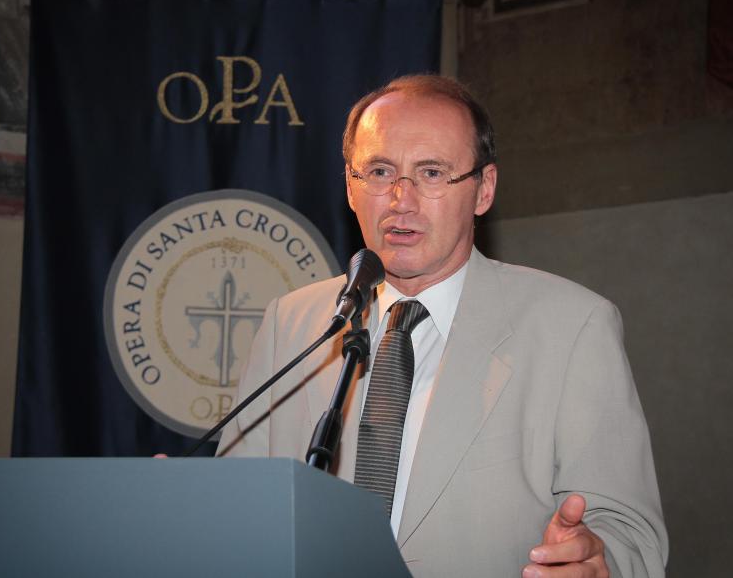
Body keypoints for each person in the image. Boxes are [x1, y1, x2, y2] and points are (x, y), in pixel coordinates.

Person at [217, 75, 667, 577]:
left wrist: (599, 563)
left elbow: (630, 533)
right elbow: (238, 508)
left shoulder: (573, 326)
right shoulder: (290, 322)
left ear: (484, 189)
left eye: (431, 173)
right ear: (350, 186)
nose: (400, 199)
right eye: (380, 171)